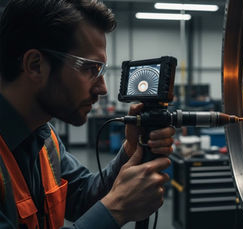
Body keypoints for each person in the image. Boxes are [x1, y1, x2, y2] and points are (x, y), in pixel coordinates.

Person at [0, 0, 175, 228]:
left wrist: (130, 150)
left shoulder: (44, 139)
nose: (103, 89)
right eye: (90, 69)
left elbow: (83, 196)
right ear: (35, 65)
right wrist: (117, 208)